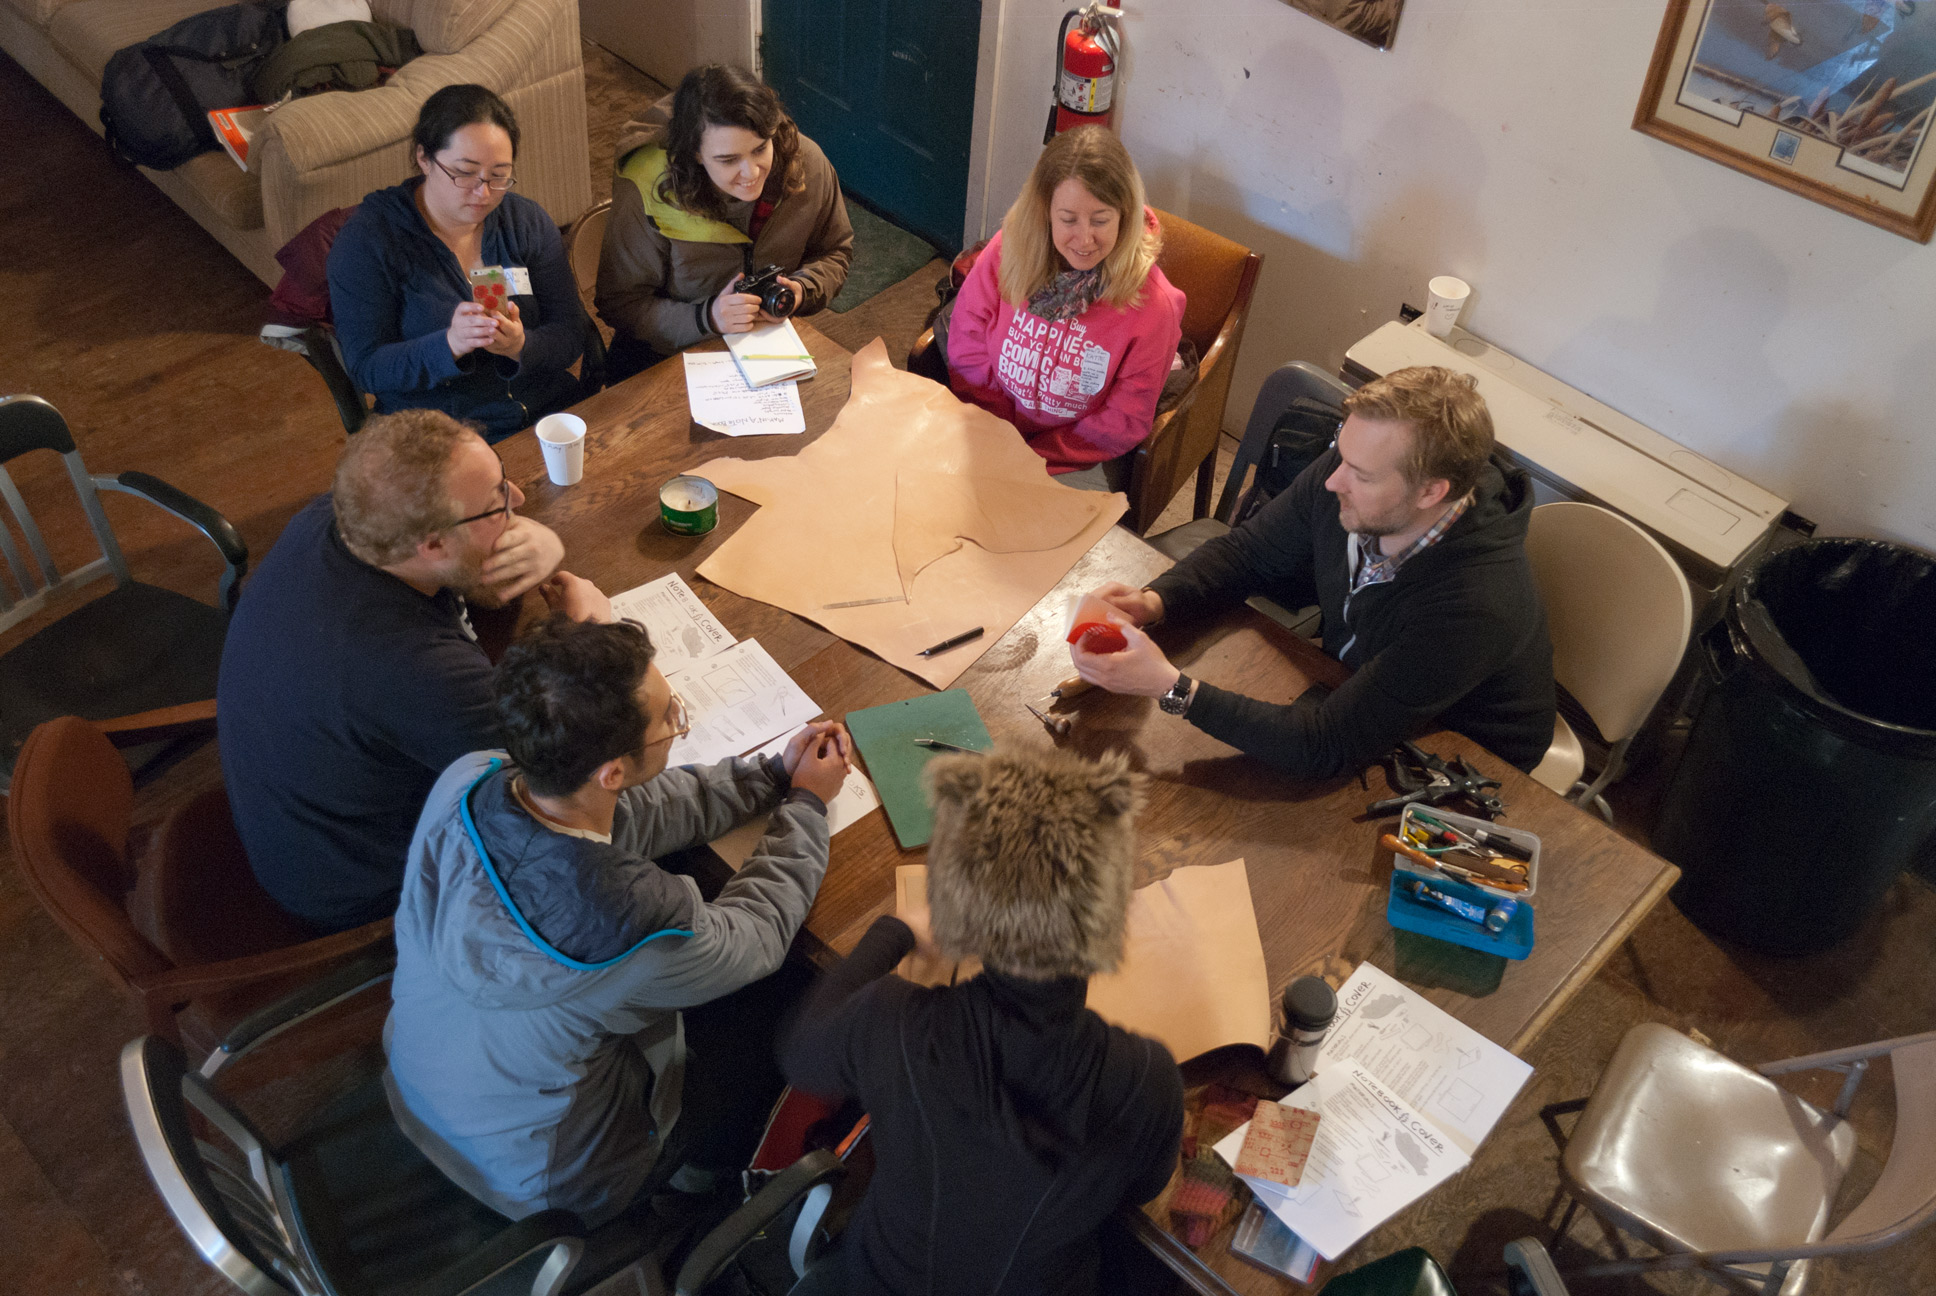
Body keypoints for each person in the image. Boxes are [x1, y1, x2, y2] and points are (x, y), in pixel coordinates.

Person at [385, 615, 851, 1228]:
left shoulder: (472, 779)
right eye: (668, 719)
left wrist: (766, 777)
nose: (675, 724)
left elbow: (624, 815)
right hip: (547, 1179)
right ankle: (696, 1182)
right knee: (788, 1004)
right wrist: (809, 806)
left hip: (418, 1083)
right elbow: (757, 934)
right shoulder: (628, 923)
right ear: (611, 770)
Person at [778, 744, 1184, 1296]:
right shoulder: (1146, 1079)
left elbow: (802, 1050)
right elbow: (1142, 1187)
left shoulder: (893, 1022)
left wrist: (895, 930)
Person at [217, 409, 609, 932]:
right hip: (360, 886)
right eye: (496, 502)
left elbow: (476, 582)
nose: (516, 499)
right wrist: (586, 632)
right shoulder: (414, 667)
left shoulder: (344, 517)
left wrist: (518, 549)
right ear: (433, 546)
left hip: (299, 797)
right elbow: (558, 764)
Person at [1070, 365, 1556, 777]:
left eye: (1360, 474)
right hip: (1363, 680)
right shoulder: (1354, 470)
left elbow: (1325, 744)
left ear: (1432, 492)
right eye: (1342, 454)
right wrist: (1157, 601)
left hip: (1469, 755)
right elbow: (1247, 553)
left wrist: (1168, 686)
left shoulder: (1476, 605)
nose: (1331, 480)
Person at [328, 83, 584, 440]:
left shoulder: (524, 222)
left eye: (498, 176)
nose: (483, 193)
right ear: (424, 158)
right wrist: (447, 345)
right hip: (438, 437)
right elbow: (368, 368)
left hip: (546, 414)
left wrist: (522, 346)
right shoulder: (369, 241)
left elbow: (572, 333)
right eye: (465, 173)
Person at [945, 125, 1186, 485]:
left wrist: (1031, 460)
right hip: (987, 423)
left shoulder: (1156, 306)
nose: (1084, 239)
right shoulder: (1009, 248)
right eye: (1068, 219)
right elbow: (968, 337)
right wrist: (997, 434)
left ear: (1126, 215)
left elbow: (1123, 419)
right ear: (1044, 212)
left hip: (1076, 454)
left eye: (1101, 220)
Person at [595, 64, 853, 383]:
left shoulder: (808, 162)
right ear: (696, 153)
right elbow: (620, 303)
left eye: (761, 149)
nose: (752, 172)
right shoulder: (649, 186)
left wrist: (802, 289)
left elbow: (835, 252)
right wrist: (708, 317)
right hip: (666, 358)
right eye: (728, 160)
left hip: (768, 353)